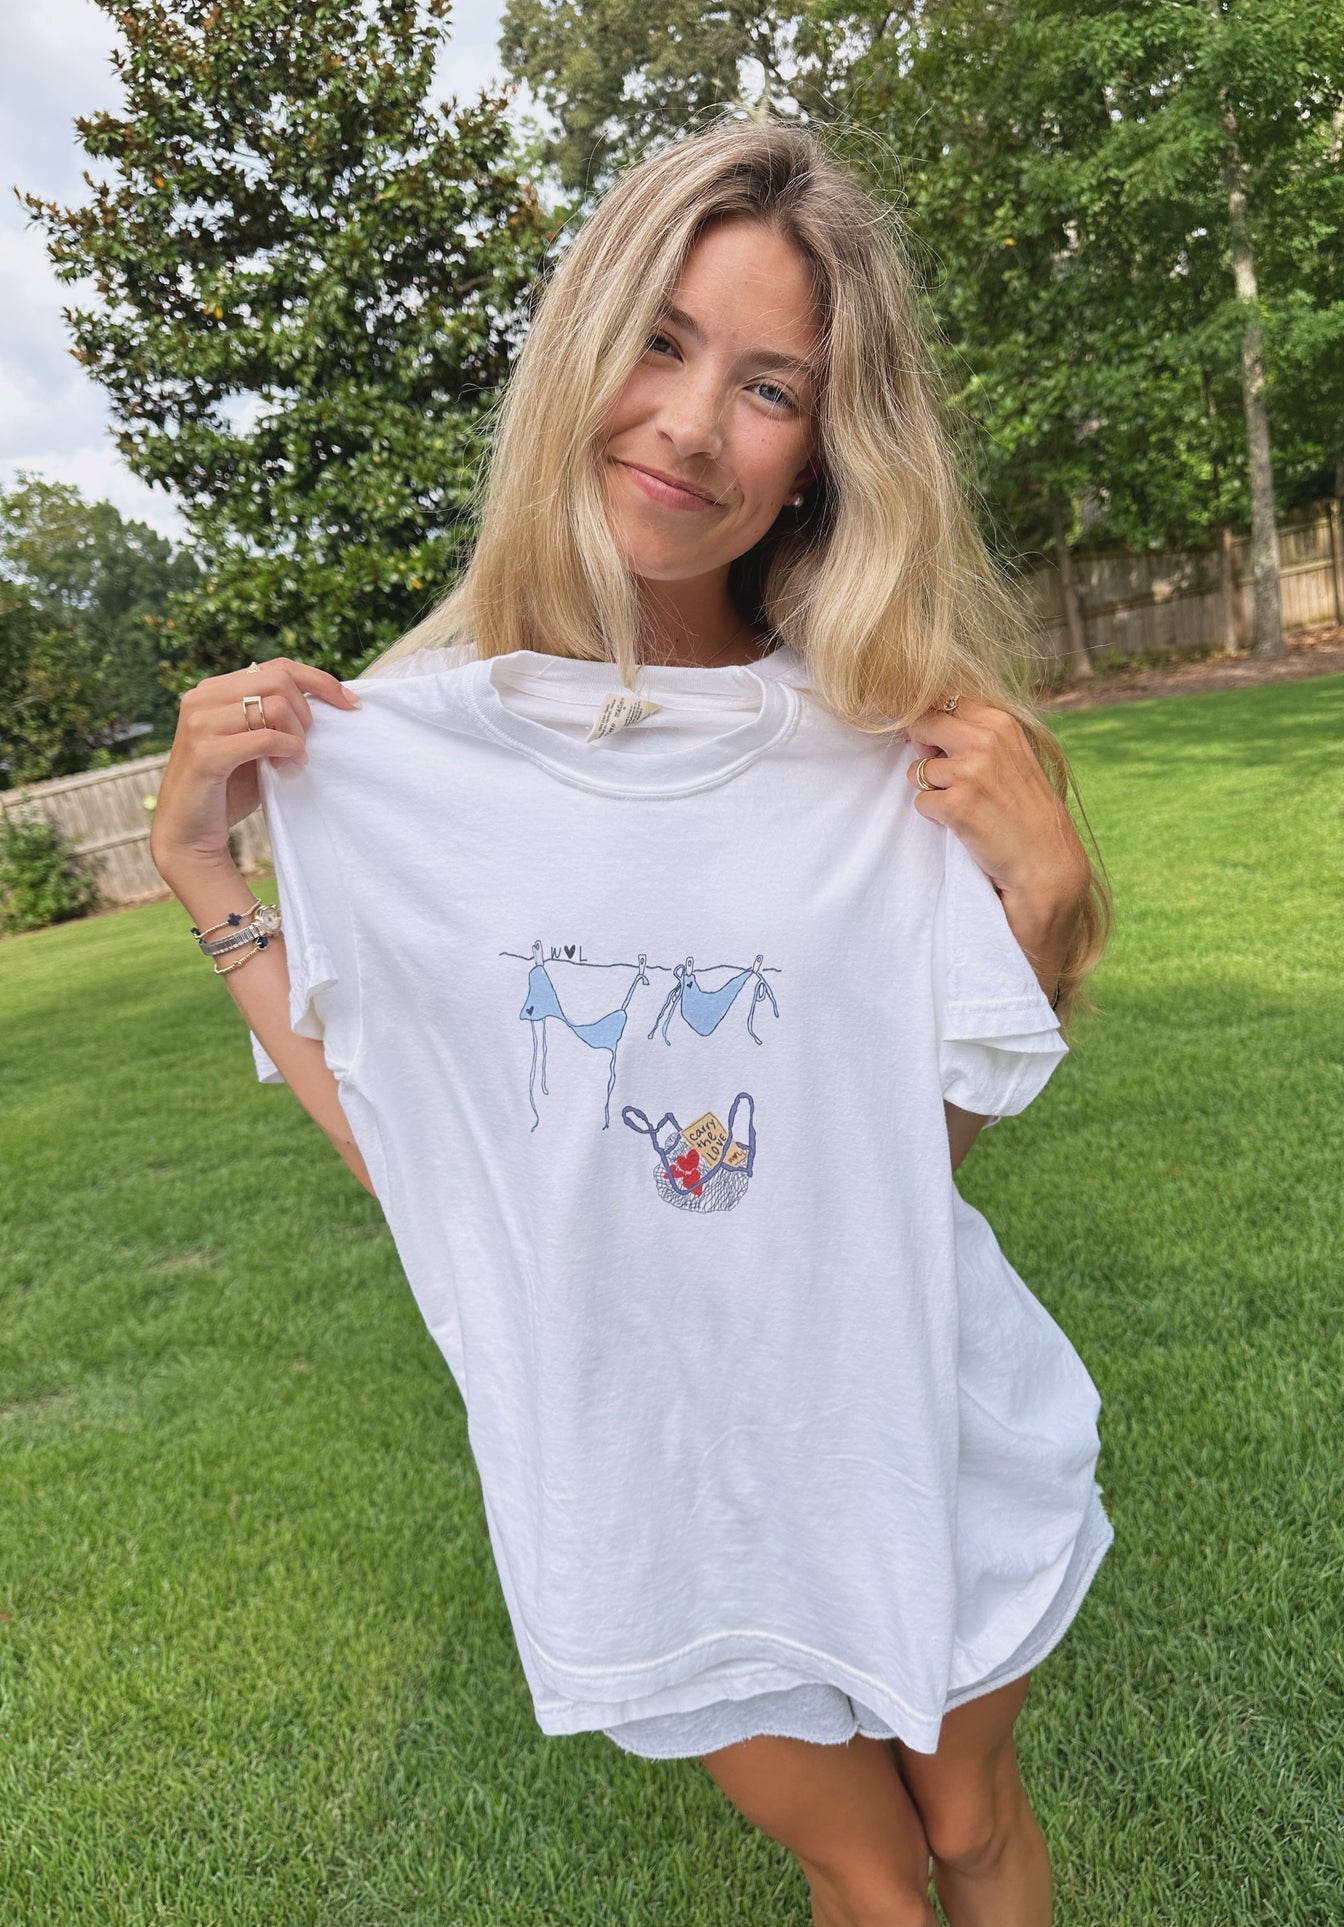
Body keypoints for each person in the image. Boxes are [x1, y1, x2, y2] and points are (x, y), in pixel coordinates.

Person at [151, 119, 1113, 1927]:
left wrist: (1044, 914)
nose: (689, 424)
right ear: (576, 349)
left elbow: (893, 1175)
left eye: (769, 386)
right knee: (881, 1881)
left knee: (975, 1832)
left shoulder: (876, 734)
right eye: (661, 343)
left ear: (822, 452)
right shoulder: (402, 752)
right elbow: (417, 1161)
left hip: (914, 1414)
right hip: (648, 1482)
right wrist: (208, 876)